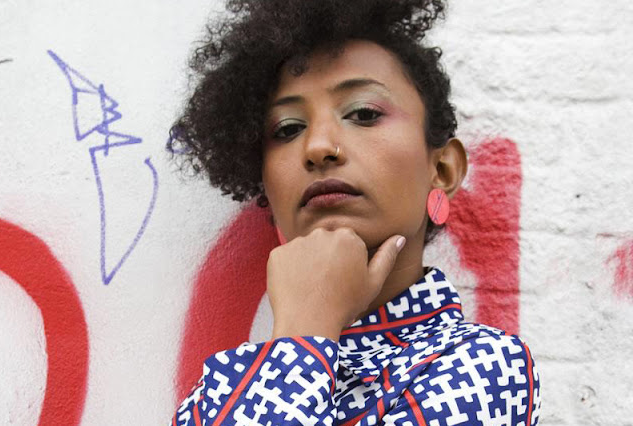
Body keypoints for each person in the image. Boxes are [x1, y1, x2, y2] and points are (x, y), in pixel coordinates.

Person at [169, 0, 541, 424]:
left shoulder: (484, 366)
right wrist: (303, 336)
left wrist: (302, 336)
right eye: (288, 129)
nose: (318, 147)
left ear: (442, 169)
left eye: (364, 114)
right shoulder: (218, 390)